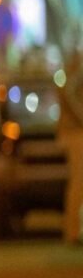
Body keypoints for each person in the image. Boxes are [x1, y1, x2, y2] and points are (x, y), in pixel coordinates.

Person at [58, 51, 83, 244]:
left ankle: (74, 231)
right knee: (78, 183)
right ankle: (73, 232)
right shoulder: (74, 72)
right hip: (76, 134)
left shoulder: (69, 72)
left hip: (73, 132)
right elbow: (70, 95)